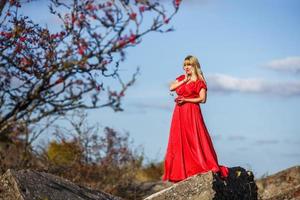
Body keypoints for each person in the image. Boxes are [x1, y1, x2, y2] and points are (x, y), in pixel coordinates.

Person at [162, 55, 229, 183]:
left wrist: (186, 99)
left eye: (189, 65)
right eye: (185, 65)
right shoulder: (182, 78)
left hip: (192, 112)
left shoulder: (200, 82)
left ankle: (201, 165)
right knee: (180, 140)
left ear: (195, 66)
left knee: (195, 139)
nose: (186, 67)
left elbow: (202, 99)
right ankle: (183, 172)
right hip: (179, 113)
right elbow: (171, 88)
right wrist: (185, 80)